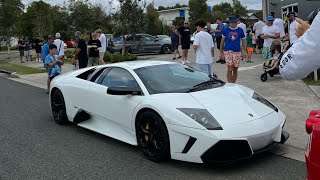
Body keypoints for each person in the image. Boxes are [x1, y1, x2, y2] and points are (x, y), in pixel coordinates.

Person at [280, 10, 320, 80]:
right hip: (294, 42)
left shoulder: (296, 23)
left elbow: (287, 70)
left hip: (298, 42)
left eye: (289, 16)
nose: (288, 18)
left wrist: (308, 35)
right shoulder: (291, 24)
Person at [220, 16, 247, 83]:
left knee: (235, 69)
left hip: (237, 51)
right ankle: (229, 84)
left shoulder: (240, 30)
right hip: (228, 51)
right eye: (231, 22)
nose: (233, 24)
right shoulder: (226, 30)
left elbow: (243, 40)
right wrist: (221, 52)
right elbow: (222, 41)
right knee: (230, 68)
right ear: (229, 23)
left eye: (234, 22)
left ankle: (233, 84)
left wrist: (244, 51)